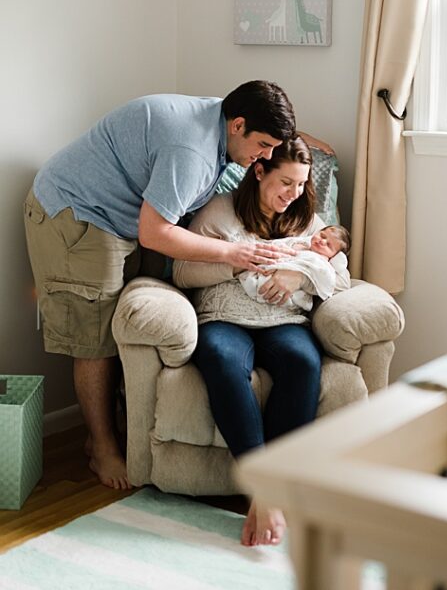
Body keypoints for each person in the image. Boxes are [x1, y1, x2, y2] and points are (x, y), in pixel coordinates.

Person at [23, 81, 300, 490]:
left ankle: (106, 434)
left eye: (274, 149)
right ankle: (101, 446)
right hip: (77, 212)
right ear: (238, 124)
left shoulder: (221, 125)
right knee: (95, 337)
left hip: (121, 217)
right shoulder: (190, 151)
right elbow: (155, 233)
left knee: (120, 325)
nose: (266, 156)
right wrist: (231, 254)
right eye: (263, 144)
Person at [173, 136, 350, 547]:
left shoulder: (308, 220)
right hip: (225, 316)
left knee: (303, 362)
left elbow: (339, 274)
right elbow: (181, 272)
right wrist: (234, 263)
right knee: (220, 357)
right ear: (259, 171)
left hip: (283, 319)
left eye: (303, 184)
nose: (295, 194)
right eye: (286, 182)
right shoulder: (220, 211)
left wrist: (300, 275)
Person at [238, 225, 350, 312]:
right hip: (270, 267)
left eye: (329, 245)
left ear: (334, 256)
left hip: (290, 293)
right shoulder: (299, 242)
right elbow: (275, 245)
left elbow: (329, 279)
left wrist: (301, 277)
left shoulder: (323, 262)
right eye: (323, 235)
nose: (322, 241)